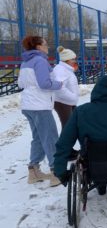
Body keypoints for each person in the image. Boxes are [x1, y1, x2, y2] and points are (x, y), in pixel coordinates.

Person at [17, 36, 63, 187]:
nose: (48, 47)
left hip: (28, 105)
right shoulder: (40, 61)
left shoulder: (25, 62)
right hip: (40, 105)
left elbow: (20, 83)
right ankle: (56, 172)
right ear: (38, 47)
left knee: (38, 137)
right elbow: (45, 83)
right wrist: (59, 84)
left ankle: (34, 171)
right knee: (50, 137)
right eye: (45, 44)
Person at [53, 46, 80, 160]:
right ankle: (64, 152)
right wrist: (72, 97)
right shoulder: (60, 70)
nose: (75, 61)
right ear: (67, 60)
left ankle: (68, 149)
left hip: (68, 102)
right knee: (68, 127)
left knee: (72, 126)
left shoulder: (67, 69)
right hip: (63, 102)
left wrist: (72, 99)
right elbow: (59, 88)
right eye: (73, 59)